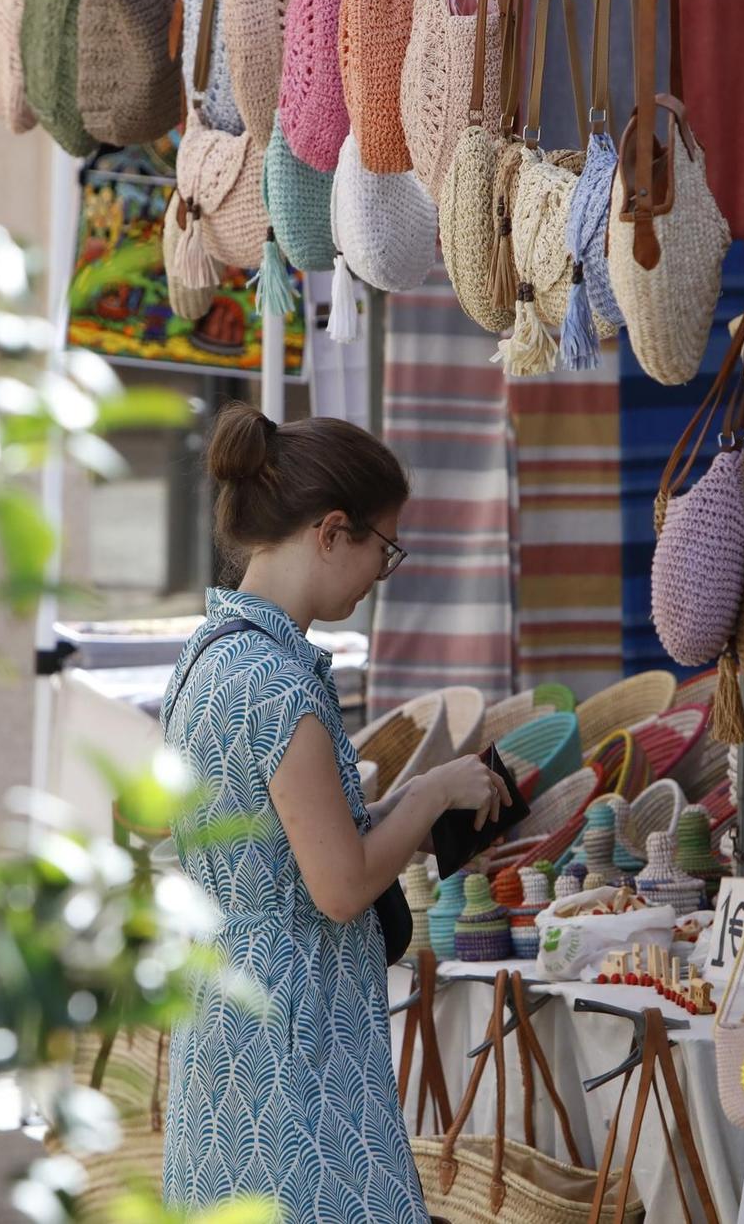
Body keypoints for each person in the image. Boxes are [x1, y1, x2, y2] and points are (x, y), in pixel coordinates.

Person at [158, 403, 508, 1222]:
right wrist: (428, 794)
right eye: (385, 549)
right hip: (297, 1041)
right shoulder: (280, 686)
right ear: (332, 531)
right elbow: (340, 886)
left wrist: (407, 799)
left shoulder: (204, 658)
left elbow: (284, 844)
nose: (382, 572)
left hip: (224, 1020)